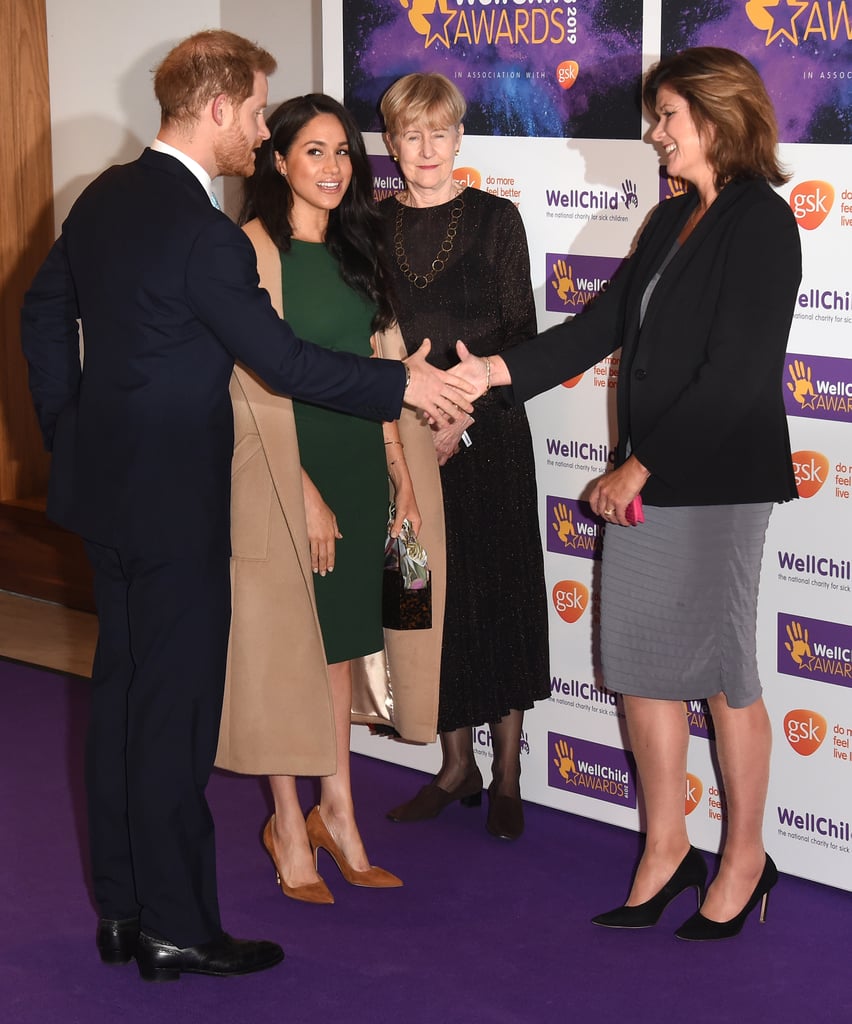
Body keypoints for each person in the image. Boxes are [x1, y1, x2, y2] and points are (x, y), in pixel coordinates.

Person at [19, 30, 474, 983]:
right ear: (220, 108)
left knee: (124, 703)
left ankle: (123, 911)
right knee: (173, 719)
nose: (262, 128)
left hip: (107, 495)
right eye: (260, 110)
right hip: (178, 505)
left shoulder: (106, 195)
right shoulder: (208, 234)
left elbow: (40, 308)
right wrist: (401, 390)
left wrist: (71, 431)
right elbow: (283, 364)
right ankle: (178, 928)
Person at [456, 47, 801, 939]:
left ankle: (747, 858)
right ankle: (665, 846)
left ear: (717, 121)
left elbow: (736, 375)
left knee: (724, 677)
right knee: (643, 668)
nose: (653, 133)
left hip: (714, 483)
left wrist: (639, 466)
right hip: (652, 478)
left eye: (667, 118)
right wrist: (495, 371)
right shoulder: (672, 218)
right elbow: (600, 327)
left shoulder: (761, 221)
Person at [214, 95, 445, 900]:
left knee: (345, 643)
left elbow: (377, 356)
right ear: (277, 161)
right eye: (314, 152)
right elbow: (245, 382)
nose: (334, 168)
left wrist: (401, 472)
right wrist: (303, 493)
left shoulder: (361, 247)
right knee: (291, 649)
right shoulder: (245, 253)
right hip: (286, 469)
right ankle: (287, 821)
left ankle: (339, 811)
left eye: (343, 152)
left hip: (359, 457)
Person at [378, 73, 550, 841]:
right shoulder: (369, 227)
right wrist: (421, 418)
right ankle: (455, 766)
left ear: (458, 138)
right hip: (407, 442)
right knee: (426, 603)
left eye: (439, 133)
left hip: (489, 441)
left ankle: (509, 771)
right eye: (410, 134)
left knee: (500, 595)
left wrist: (463, 415)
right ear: (391, 142)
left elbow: (521, 333)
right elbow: (371, 342)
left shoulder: (495, 219)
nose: (425, 149)